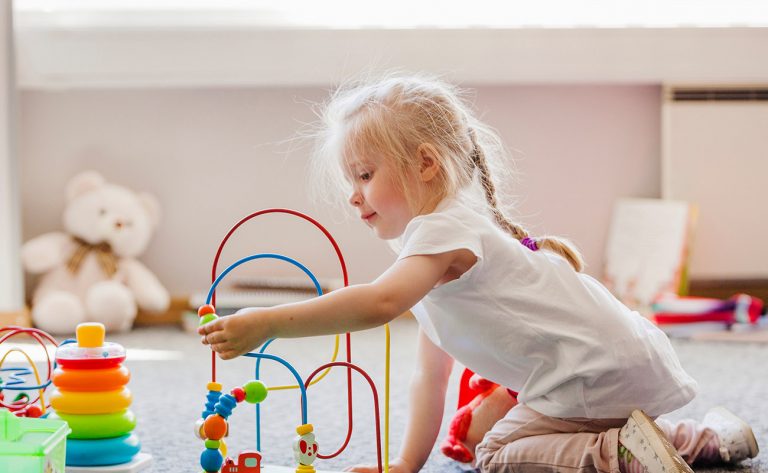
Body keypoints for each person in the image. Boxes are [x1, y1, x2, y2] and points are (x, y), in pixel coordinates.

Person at [199, 73, 759, 473]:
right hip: (608, 367)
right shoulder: (442, 246)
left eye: (365, 175)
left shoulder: (443, 229)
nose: (353, 196)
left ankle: (619, 457)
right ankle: (705, 441)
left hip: (594, 375)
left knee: (497, 457)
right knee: (508, 430)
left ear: (425, 162)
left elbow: (374, 305)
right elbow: (430, 380)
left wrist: (267, 321)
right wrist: (404, 464)